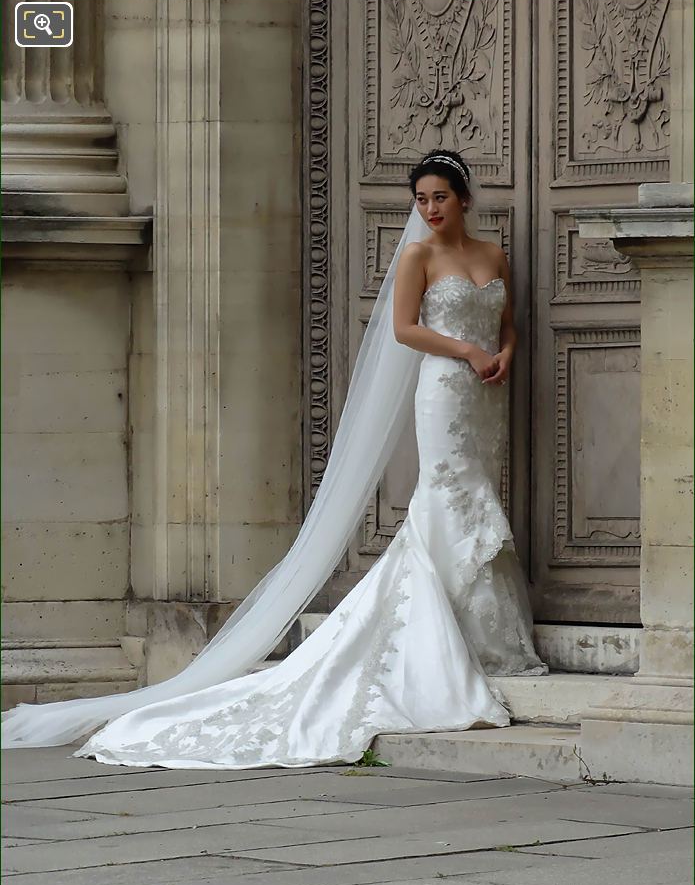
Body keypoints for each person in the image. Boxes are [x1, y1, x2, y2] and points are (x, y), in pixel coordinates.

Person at [2, 150, 547, 768]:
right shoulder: (420, 256)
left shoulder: (492, 255)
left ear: (465, 199)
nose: (429, 209)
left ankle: (486, 634)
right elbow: (403, 329)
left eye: (439, 198)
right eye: (420, 199)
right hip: (444, 389)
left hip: (485, 394)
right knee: (452, 493)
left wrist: (501, 351)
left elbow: (506, 322)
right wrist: (465, 353)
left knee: (478, 495)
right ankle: (439, 635)